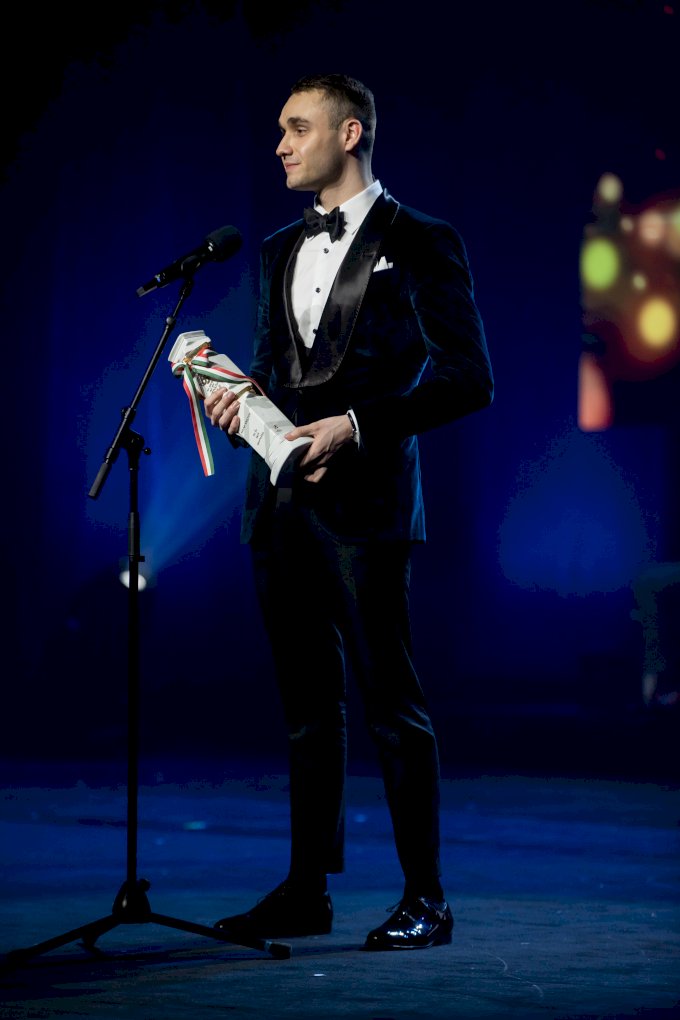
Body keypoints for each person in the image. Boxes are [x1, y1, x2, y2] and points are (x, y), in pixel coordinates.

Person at [204, 73, 494, 951]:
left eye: (297, 127)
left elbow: (468, 379)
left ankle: (427, 898)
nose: (281, 145)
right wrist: (239, 400)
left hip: (367, 506)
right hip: (281, 505)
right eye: (279, 129)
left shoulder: (422, 240)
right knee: (306, 710)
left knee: (391, 706)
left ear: (350, 133)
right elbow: (276, 368)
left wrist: (360, 425)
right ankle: (306, 891)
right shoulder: (274, 250)